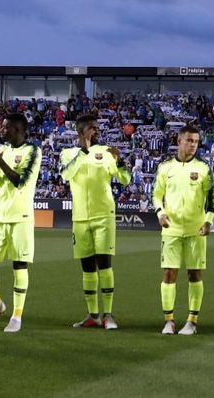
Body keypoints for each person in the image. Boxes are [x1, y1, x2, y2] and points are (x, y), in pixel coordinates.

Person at [60, 113, 130, 330]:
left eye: (97, 127)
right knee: (87, 268)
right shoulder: (69, 153)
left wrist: (121, 161)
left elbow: (125, 179)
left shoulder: (106, 152)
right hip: (80, 219)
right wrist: (84, 149)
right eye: (92, 127)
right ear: (81, 132)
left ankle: (108, 315)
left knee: (105, 266)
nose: (97, 130)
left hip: (103, 216)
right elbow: (65, 175)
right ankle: (93, 315)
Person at [0, 112, 41, 333]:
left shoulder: (33, 151)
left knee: (19, 265)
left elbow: (20, 181)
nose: (2, 130)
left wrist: (0, 160)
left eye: (6, 127)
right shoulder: (3, 150)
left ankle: (17, 316)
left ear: (18, 130)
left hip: (20, 216)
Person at [153, 124, 214, 335]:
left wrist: (208, 220)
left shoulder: (204, 168)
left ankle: (192, 321)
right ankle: (169, 320)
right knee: (169, 274)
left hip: (195, 229)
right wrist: (160, 213)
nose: (193, 145)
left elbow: (213, 199)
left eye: (196, 142)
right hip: (171, 229)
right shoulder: (165, 168)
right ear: (179, 141)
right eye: (189, 140)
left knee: (194, 274)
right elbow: (156, 195)